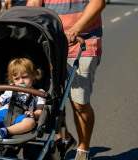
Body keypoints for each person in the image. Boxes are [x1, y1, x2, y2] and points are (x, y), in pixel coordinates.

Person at [26, 0, 106, 160]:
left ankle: (84, 149)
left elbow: (98, 3)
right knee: (50, 98)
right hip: (50, 42)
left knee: (79, 103)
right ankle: (67, 138)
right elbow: (34, 3)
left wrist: (75, 29)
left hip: (82, 41)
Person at [0, 58, 46, 138]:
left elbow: (40, 109)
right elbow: (1, 101)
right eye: (17, 79)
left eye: (25, 77)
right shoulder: (11, 88)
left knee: (31, 123)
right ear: (12, 79)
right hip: (4, 112)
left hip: (21, 116)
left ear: (33, 76)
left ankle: (6, 131)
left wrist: (34, 114)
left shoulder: (38, 92)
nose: (21, 81)